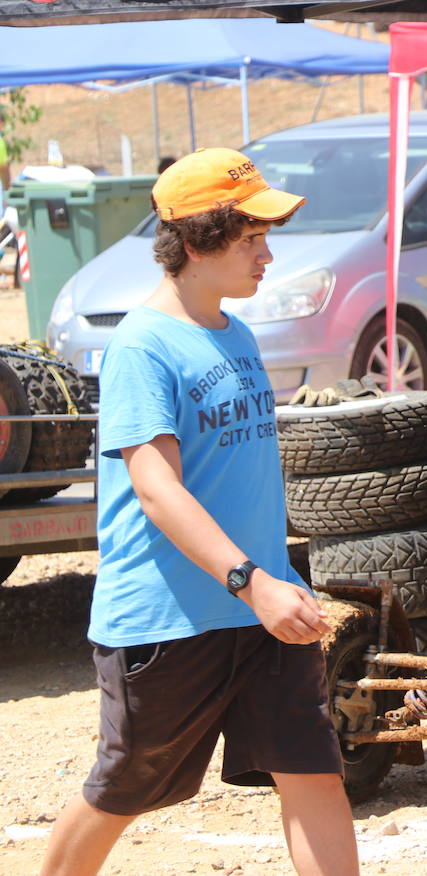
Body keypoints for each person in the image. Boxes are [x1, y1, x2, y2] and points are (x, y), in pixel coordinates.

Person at [39, 148, 359, 876]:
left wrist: (272, 582)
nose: (268, 254)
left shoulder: (235, 333)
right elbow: (158, 490)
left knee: (312, 770)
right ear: (192, 243)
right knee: (122, 789)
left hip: (262, 614)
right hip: (171, 620)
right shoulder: (142, 348)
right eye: (250, 240)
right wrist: (253, 579)